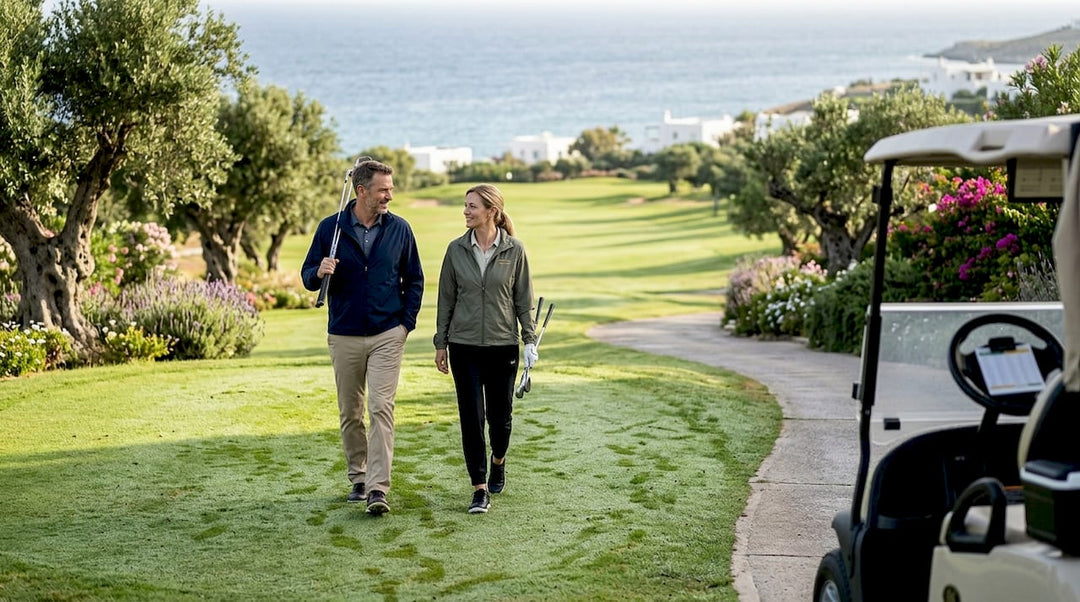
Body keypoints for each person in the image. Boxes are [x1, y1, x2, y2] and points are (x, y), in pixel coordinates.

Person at [301, 157, 423, 516]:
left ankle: (377, 489)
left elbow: (414, 279)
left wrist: (405, 325)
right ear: (361, 191)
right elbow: (308, 274)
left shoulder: (400, 229)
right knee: (351, 412)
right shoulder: (331, 229)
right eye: (383, 189)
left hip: (388, 333)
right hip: (344, 333)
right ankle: (358, 476)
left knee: (380, 408)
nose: (390, 195)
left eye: (391, 188)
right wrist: (317, 271)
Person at [433, 183, 538, 514]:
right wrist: (441, 343)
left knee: (500, 419)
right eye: (465, 206)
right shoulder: (455, 250)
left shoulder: (515, 251)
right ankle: (479, 488)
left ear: (491, 211)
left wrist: (529, 340)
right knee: (471, 418)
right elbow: (445, 300)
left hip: (502, 345)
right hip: (464, 347)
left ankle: (499, 461)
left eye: (472, 206)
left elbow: (523, 300)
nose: (465, 211)